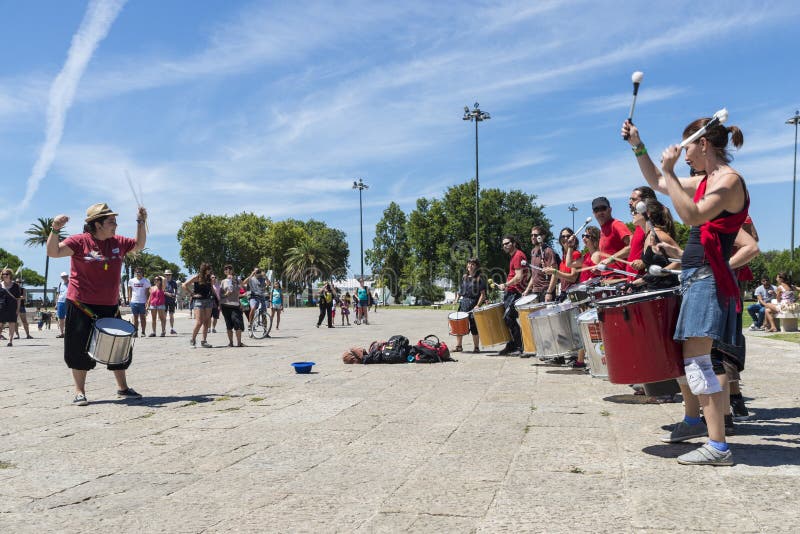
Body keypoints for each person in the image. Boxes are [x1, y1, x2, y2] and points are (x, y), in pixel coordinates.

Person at [623, 114, 748, 466]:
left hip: (709, 277)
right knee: (697, 361)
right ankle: (712, 437)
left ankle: (718, 445)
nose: (685, 154)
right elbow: (657, 182)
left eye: (688, 147)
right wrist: (638, 145)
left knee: (700, 362)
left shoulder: (729, 181)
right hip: (696, 275)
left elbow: (692, 216)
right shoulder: (709, 179)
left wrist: (673, 172)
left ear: (704, 143)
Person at [46, 202, 147, 405]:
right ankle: (79, 391)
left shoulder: (118, 242)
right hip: (81, 305)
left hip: (110, 305)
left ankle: (123, 388)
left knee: (119, 347)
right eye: (111, 221)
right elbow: (53, 252)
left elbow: (139, 245)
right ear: (98, 224)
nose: (115, 224)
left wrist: (141, 221)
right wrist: (55, 229)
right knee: (78, 348)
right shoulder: (79, 242)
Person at [629, 198, 681, 290]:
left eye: (634, 211)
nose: (632, 213)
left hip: (668, 292)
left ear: (647, 213)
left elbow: (681, 261)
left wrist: (661, 272)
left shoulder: (659, 235)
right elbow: (653, 271)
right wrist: (637, 282)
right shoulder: (647, 237)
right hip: (654, 290)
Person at [496, 235, 528, 356]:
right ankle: (512, 344)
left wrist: (505, 284)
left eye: (507, 243)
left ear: (514, 243)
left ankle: (520, 346)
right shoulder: (513, 256)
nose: (505, 246)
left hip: (516, 291)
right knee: (507, 318)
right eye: (503, 244)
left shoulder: (518, 255)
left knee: (508, 317)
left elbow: (519, 277)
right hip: (510, 291)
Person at [454, 257, 487, 353]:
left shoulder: (479, 278)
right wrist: (456, 299)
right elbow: (460, 291)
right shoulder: (464, 277)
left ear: (476, 266)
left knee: (474, 327)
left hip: (473, 304)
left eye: (473, 264)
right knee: (459, 325)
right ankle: (459, 346)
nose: (470, 266)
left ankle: (476, 347)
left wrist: (478, 305)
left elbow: (483, 295)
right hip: (463, 304)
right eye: (469, 263)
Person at [592, 196, 631, 274]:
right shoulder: (603, 230)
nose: (600, 212)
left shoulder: (616, 225)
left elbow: (632, 246)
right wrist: (599, 269)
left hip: (620, 278)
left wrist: (611, 258)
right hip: (607, 279)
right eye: (596, 210)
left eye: (603, 208)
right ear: (593, 213)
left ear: (610, 209)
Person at [182, 263, 215, 348]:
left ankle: (204, 341)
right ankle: (192, 340)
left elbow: (211, 289)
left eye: (210, 269)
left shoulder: (210, 278)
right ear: (204, 269)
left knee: (207, 322)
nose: (210, 271)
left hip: (208, 301)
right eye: (208, 269)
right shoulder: (197, 277)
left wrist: (216, 299)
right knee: (199, 322)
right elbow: (184, 285)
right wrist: (192, 294)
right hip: (198, 301)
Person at [544, 227, 581, 302]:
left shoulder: (575, 254)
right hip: (564, 294)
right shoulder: (563, 257)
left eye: (568, 236)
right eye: (563, 236)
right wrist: (549, 292)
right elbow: (557, 275)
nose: (566, 238)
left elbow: (573, 278)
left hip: (574, 295)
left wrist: (554, 272)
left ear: (573, 239)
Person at [627, 186, 658, 275]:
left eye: (633, 199)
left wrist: (644, 263)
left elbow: (672, 258)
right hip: (639, 282)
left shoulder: (657, 231)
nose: (630, 203)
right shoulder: (640, 227)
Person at [522, 226, 558, 302]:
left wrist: (549, 292)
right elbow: (534, 274)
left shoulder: (548, 251)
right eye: (531, 235)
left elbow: (555, 273)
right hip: (535, 291)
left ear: (543, 236)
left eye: (535, 235)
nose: (533, 237)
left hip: (546, 291)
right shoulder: (533, 251)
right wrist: (527, 290)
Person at [220, 264, 246, 347]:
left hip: (236, 305)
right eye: (226, 269)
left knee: (238, 324)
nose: (228, 270)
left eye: (230, 269)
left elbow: (242, 289)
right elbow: (220, 294)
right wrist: (225, 296)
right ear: (224, 272)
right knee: (229, 325)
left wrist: (236, 281)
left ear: (232, 270)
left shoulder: (237, 280)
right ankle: (231, 342)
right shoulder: (223, 281)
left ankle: (239, 343)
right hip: (225, 305)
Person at [0, 269, 21, 346]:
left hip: (12, 306)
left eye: (7, 274)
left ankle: (10, 340)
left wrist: (18, 309)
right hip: (1, 306)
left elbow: (18, 299)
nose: (5, 275)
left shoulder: (15, 286)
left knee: (11, 323)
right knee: (0, 324)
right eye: (3, 274)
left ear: (10, 275)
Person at [127, 268, 150, 337]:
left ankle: (143, 332)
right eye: (136, 272)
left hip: (143, 302)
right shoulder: (131, 280)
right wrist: (130, 300)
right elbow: (129, 291)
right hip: (134, 302)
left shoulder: (146, 281)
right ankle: (135, 332)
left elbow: (148, 292)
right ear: (135, 273)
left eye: (139, 272)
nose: (138, 273)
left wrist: (147, 302)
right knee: (135, 318)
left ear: (142, 273)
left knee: (143, 317)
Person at [163, 269, 178, 335]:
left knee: (171, 315)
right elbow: (161, 291)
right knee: (164, 316)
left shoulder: (174, 282)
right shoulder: (163, 282)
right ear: (165, 275)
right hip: (164, 300)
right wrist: (167, 293)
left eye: (169, 274)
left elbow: (176, 290)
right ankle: (164, 329)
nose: (168, 276)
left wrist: (175, 295)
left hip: (172, 300)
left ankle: (172, 329)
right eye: (166, 275)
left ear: (171, 275)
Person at [55, 272, 69, 337]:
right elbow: (58, 294)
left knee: (68, 318)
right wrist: (56, 303)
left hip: (68, 302)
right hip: (60, 302)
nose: (64, 277)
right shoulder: (60, 284)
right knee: (61, 318)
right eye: (63, 276)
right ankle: (61, 333)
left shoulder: (71, 283)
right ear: (61, 277)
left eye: (65, 276)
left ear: (67, 276)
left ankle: (67, 332)